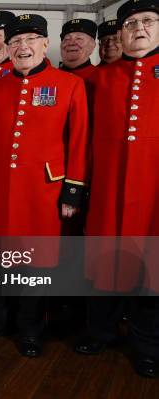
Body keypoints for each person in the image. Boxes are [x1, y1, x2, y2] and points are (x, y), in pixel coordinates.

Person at [0, 14, 89, 358]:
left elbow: (78, 141)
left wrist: (73, 188)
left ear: (44, 44)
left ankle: (30, 329)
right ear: (8, 47)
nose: (23, 47)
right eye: (16, 41)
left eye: (31, 39)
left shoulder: (68, 85)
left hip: (43, 190)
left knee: (35, 264)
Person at [79, 0, 159, 378]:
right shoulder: (98, 79)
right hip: (107, 192)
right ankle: (101, 333)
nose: (138, 28)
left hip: (154, 197)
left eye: (147, 21)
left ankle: (148, 347)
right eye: (129, 23)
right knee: (104, 265)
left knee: (152, 274)